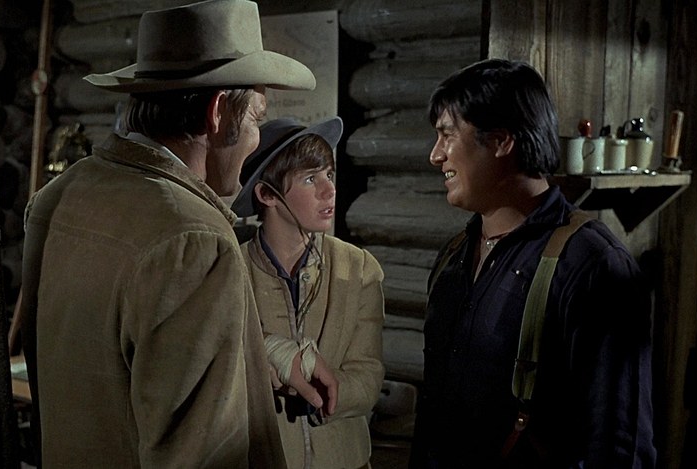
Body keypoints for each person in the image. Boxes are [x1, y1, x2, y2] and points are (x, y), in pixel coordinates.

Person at [17, 1, 325, 467]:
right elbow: (200, 452)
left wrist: (256, 361)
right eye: (256, 119)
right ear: (218, 113)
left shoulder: (61, 195)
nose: (256, 139)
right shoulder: (196, 238)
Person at [409, 59, 656, 468]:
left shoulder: (593, 265)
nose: (435, 155)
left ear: (501, 141)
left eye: (448, 135)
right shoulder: (454, 257)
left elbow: (620, 446)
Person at [230, 117, 386, 469]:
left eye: (329, 174)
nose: (329, 190)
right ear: (267, 195)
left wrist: (325, 393)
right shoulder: (230, 270)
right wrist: (272, 356)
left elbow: (368, 374)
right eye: (310, 179)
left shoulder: (358, 268)